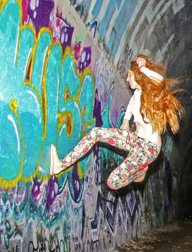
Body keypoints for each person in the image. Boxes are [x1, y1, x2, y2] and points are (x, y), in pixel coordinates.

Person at [50, 55, 182, 189]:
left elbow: (159, 80)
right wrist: (125, 121)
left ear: (138, 75)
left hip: (149, 148)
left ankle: (141, 172)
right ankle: (60, 165)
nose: (127, 78)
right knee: (95, 133)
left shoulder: (151, 95)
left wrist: (142, 67)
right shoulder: (137, 94)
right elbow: (131, 104)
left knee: (112, 182)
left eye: (130, 75)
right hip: (135, 139)